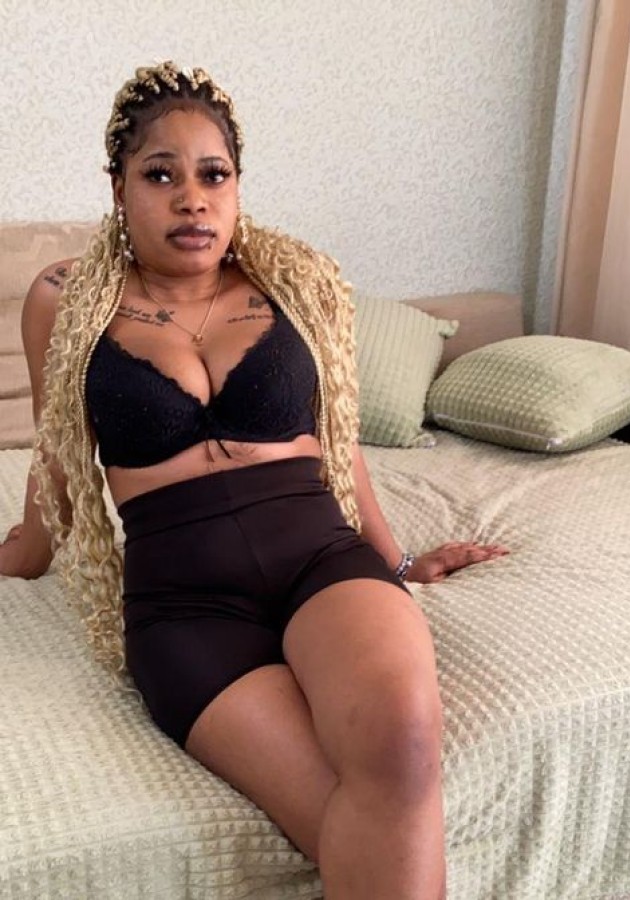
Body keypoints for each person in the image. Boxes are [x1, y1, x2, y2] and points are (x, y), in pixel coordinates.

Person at [0, 61, 508, 899]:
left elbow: (338, 442)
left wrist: (396, 562)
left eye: (214, 175)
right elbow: (56, 456)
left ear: (236, 187)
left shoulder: (292, 282)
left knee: (403, 751)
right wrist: (21, 553)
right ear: (118, 188)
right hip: (184, 609)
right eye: (160, 175)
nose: (191, 199)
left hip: (320, 561)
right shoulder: (66, 298)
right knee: (334, 813)